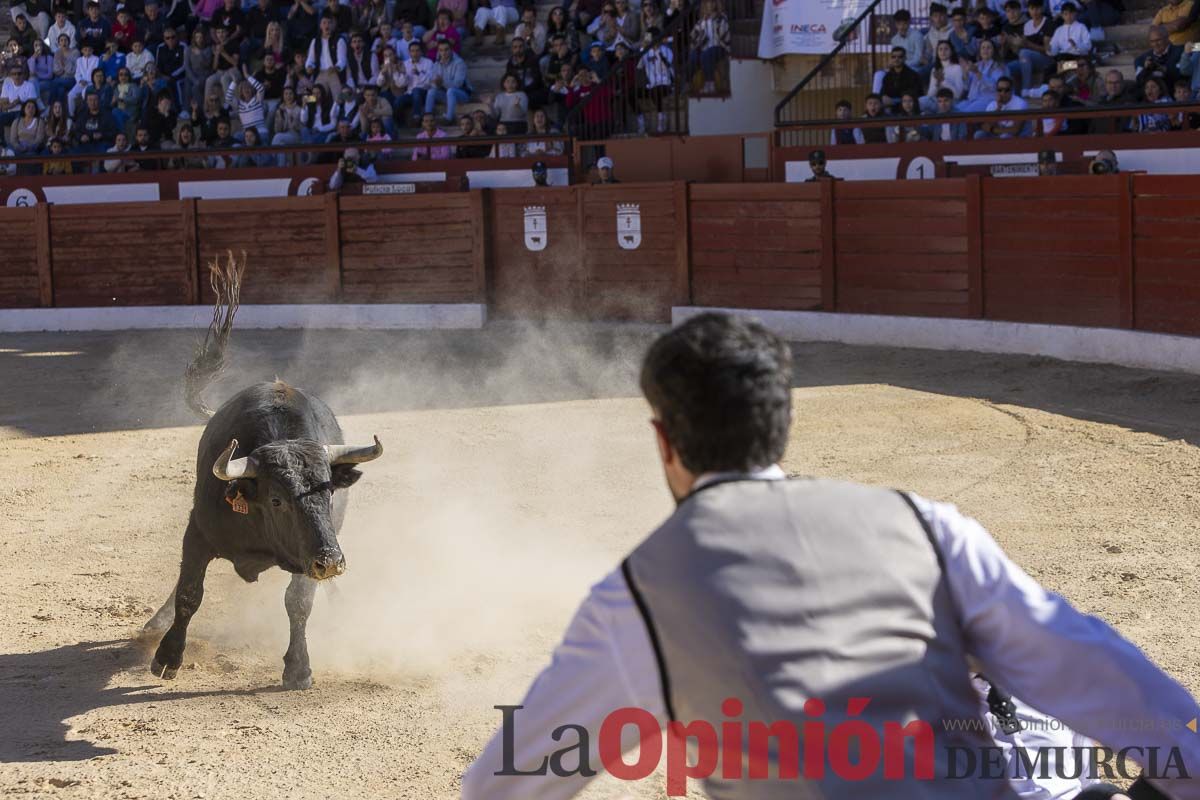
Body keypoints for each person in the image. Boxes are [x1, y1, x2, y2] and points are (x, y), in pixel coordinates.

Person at [460, 312, 1200, 800]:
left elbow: (504, 784)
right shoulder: (925, 525)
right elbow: (1096, 673)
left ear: (664, 441)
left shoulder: (636, 596)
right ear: (780, 426)